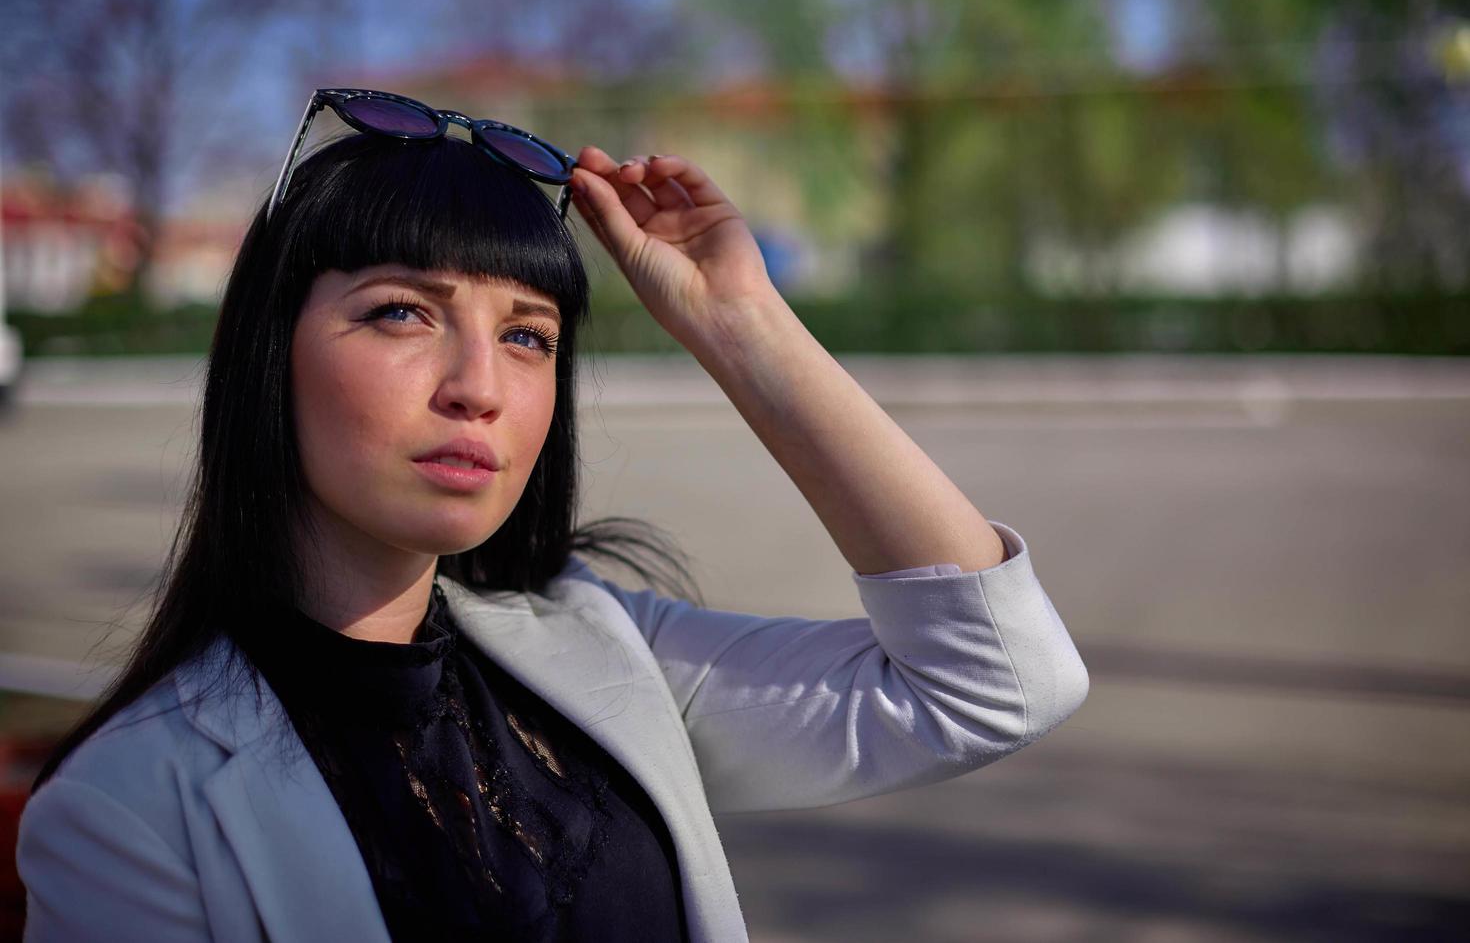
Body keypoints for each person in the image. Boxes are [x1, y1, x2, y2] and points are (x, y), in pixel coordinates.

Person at [15, 89, 1089, 943]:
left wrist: (742, 325)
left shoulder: (599, 647)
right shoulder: (129, 808)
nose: (479, 383)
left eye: (528, 334)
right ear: (267, 352)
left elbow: (994, 681)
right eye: (403, 311)